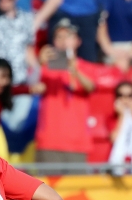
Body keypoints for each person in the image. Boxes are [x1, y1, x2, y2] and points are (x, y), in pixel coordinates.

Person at [35, 20, 96, 163]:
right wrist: (38, 63)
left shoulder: (86, 67)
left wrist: (75, 70)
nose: (63, 41)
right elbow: (30, 85)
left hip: (77, 144)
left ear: (78, 41)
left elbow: (91, 87)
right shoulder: (45, 67)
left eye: (68, 36)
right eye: (58, 37)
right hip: (49, 141)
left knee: (76, 185)